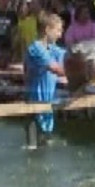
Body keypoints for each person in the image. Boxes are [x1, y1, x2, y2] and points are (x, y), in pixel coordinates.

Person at [25, 13, 67, 147]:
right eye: (58, 30)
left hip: (47, 107)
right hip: (34, 108)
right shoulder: (36, 48)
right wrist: (77, 73)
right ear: (47, 30)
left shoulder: (52, 49)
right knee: (34, 153)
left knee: (46, 149)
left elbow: (71, 55)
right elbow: (56, 69)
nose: (60, 35)